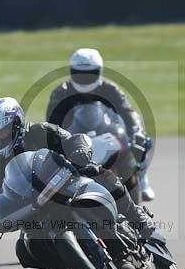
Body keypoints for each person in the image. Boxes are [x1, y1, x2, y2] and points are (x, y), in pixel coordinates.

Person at [0, 97, 162, 269]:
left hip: (66, 183)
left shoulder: (39, 131)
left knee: (95, 171)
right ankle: (76, 265)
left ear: (16, 125)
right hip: (34, 209)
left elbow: (71, 139)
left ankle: (135, 215)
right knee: (25, 251)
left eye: (0, 133)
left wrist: (79, 149)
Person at [46, 48, 156, 200]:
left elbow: (128, 112)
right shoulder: (61, 92)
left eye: (89, 75)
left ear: (99, 72)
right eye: (79, 74)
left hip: (107, 135)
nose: (84, 79)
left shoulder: (110, 89)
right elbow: (52, 123)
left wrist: (136, 131)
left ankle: (141, 179)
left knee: (142, 142)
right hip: (74, 140)